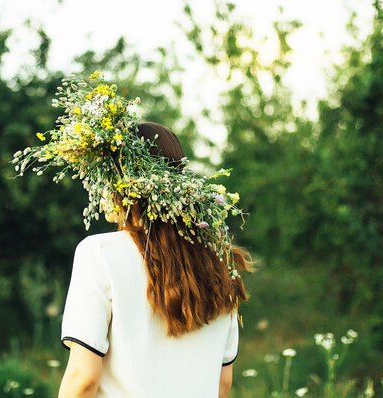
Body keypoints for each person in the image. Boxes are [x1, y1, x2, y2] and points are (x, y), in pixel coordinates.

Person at [58, 122, 253, 398]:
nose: (100, 187)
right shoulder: (220, 265)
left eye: (106, 173)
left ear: (128, 182)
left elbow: (83, 379)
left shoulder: (99, 253)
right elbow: (222, 384)